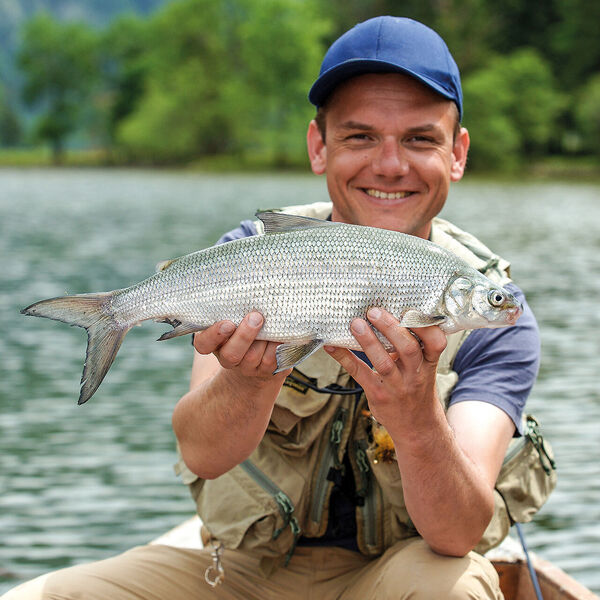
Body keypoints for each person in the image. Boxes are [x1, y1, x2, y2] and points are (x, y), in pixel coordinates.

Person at [3, 16, 551, 600]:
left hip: (397, 575)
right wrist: (246, 380)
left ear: (458, 153)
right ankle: (112, 314)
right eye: (360, 136)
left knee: (458, 588)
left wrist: (416, 417)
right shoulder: (249, 255)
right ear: (319, 147)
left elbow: (459, 531)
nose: (390, 165)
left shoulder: (499, 322)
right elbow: (203, 455)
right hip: (237, 572)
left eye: (419, 138)